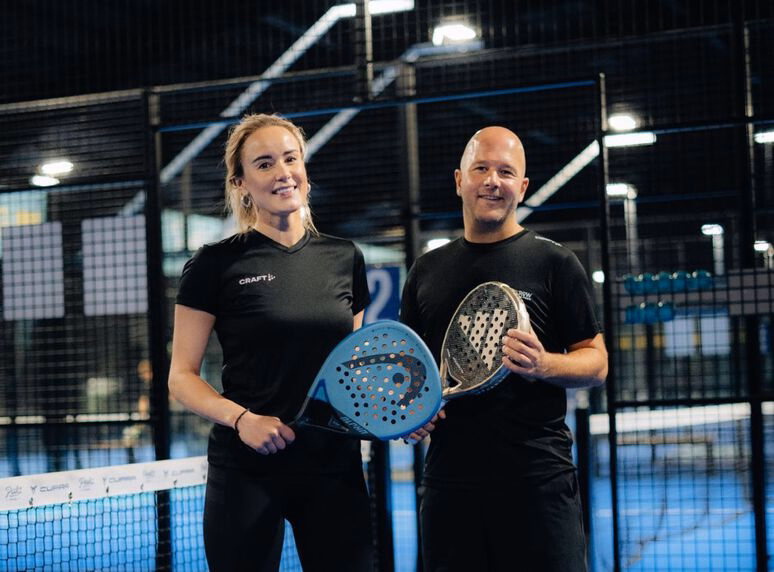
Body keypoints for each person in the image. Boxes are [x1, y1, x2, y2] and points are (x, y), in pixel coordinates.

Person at [168, 113, 374, 572]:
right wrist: (242, 420)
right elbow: (181, 378)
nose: (282, 173)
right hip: (247, 466)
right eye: (264, 164)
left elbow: (351, 367)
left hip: (332, 464)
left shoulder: (344, 257)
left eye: (290, 158)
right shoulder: (214, 265)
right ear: (241, 183)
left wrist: (389, 411)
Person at [400, 126, 608, 572]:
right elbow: (414, 372)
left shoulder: (556, 263)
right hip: (450, 489)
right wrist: (411, 411)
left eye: (506, 172)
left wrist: (544, 364)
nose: (493, 180)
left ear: (523, 186)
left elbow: (597, 362)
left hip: (538, 484)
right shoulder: (425, 271)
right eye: (481, 168)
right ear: (460, 180)